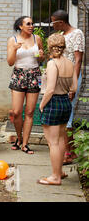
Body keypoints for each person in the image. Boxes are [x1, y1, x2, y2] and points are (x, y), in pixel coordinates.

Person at [37, 33, 77, 185]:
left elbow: (50, 90)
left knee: (52, 142)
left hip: (53, 102)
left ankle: (55, 177)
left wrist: (41, 105)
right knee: (60, 139)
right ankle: (59, 171)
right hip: (66, 103)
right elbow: (73, 87)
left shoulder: (52, 64)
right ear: (63, 46)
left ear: (49, 47)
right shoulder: (69, 63)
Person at [7, 16, 45, 154]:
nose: (31, 26)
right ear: (20, 26)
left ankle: (25, 144)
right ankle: (19, 137)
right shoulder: (13, 40)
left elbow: (41, 58)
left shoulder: (37, 39)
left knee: (29, 112)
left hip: (34, 74)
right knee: (17, 112)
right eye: (28, 24)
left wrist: (41, 55)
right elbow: (10, 62)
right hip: (18, 75)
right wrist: (14, 50)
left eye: (32, 24)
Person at [51, 10, 85, 165]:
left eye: (53, 22)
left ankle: (69, 154)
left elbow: (78, 61)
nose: (52, 25)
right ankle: (68, 152)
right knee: (64, 115)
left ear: (61, 22)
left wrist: (73, 85)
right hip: (61, 79)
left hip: (71, 78)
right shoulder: (63, 36)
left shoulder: (77, 33)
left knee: (68, 116)